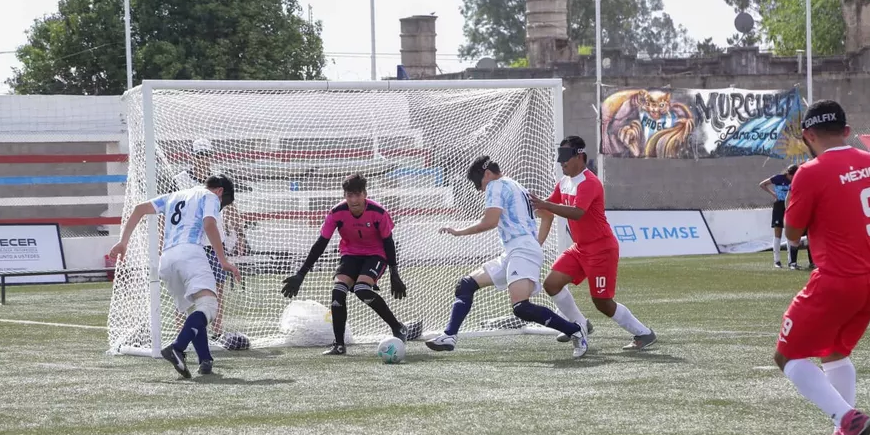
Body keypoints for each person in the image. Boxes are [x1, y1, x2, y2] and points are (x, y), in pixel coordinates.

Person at [773, 100, 870, 435]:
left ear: (808, 136)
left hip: (837, 277)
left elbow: (792, 234)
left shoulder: (810, 172)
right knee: (835, 352)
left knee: (787, 356)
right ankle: (847, 434)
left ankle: (847, 418)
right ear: (847, 130)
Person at [425, 156, 588, 357]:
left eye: (479, 183)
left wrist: (458, 232)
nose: (480, 189)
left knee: (521, 307)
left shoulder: (496, 185)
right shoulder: (517, 186)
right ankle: (449, 335)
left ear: (487, 174)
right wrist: (535, 244)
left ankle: (575, 330)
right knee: (465, 285)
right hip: (515, 251)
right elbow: (548, 216)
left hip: (521, 251)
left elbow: (490, 221)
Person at [109, 174, 241, 378]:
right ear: (220, 191)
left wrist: (123, 242)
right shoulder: (210, 197)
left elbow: (138, 210)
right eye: (223, 205)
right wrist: (223, 260)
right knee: (208, 307)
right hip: (190, 253)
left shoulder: (174, 195)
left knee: (193, 314)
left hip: (167, 259)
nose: (220, 208)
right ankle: (177, 347)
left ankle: (205, 360)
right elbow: (209, 224)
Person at [533, 136, 657, 351]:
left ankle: (644, 333)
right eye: (559, 157)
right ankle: (581, 324)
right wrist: (522, 205)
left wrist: (545, 205)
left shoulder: (590, 182)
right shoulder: (564, 182)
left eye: (565, 157)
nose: (561, 162)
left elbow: (577, 213)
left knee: (602, 303)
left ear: (579, 156)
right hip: (580, 249)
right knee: (551, 284)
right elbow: (546, 207)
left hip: (601, 250)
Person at [281, 173, 420, 355]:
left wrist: (395, 273)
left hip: (376, 255)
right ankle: (339, 345)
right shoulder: (337, 213)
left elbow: (388, 242)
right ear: (344, 195)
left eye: (358, 194)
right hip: (350, 254)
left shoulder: (378, 212)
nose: (354, 200)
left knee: (362, 289)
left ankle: (397, 327)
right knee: (338, 291)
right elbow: (320, 244)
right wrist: (301, 274)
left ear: (365, 194)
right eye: (349, 195)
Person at [174, 138, 236, 336]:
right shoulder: (180, 180)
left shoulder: (220, 181)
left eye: (206, 155)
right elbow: (171, 211)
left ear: (211, 156)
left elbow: (231, 207)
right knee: (185, 289)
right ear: (192, 156)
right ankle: (180, 331)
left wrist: (239, 232)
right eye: (199, 155)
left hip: (214, 242)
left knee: (218, 286)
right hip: (190, 243)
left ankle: (217, 330)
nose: (203, 159)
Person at [760, 165, 798, 268]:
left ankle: (791, 261)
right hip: (779, 206)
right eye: (793, 176)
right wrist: (773, 194)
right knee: (778, 233)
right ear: (789, 174)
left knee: (790, 233)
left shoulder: (796, 180)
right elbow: (762, 184)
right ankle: (777, 261)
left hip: (790, 206)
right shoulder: (778, 178)